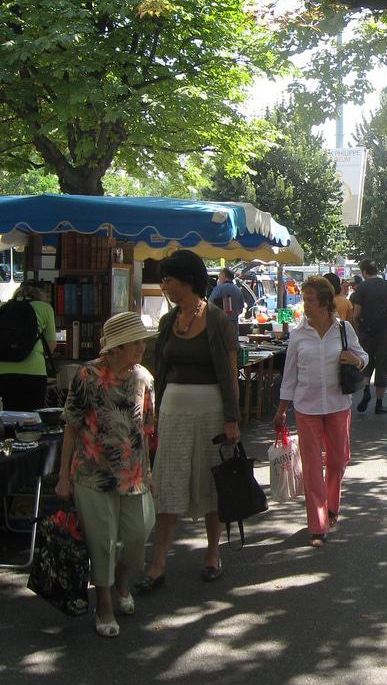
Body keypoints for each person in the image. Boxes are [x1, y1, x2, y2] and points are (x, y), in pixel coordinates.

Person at [135, 249, 240, 593]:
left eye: (169, 279)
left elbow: (229, 374)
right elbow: (160, 372)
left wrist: (232, 418)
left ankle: (212, 554)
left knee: (212, 482)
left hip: (210, 409)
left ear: (188, 281)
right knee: (168, 482)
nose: (165, 286)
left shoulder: (217, 320)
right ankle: (158, 562)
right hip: (173, 411)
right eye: (164, 280)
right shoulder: (168, 321)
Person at [56, 312, 157, 638]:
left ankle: (121, 581)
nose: (141, 348)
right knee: (101, 542)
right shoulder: (86, 376)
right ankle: (104, 603)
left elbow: (146, 429)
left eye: (142, 341)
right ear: (114, 348)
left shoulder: (143, 377)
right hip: (91, 472)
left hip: (134, 473)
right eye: (134, 343)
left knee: (138, 535)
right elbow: (71, 428)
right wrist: (62, 477)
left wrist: (150, 471)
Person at [274, 277, 367, 547]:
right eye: (304, 299)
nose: (305, 305)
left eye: (310, 300)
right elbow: (289, 376)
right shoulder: (298, 334)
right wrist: (281, 411)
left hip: (338, 405)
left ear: (326, 302)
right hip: (307, 407)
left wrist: (356, 360)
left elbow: (364, 356)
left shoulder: (344, 329)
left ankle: (332, 505)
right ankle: (317, 523)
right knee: (313, 467)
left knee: (338, 460)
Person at [350, 259, 387, 415]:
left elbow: (356, 314)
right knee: (383, 366)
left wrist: (359, 332)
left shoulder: (362, 287)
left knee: (366, 362)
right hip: (386, 333)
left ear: (364, 272)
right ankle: (379, 403)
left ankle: (365, 390)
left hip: (366, 332)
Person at [0, 281, 57, 411]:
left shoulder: (4, 307)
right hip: (33, 372)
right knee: (33, 418)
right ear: (41, 293)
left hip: (3, 371)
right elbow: (51, 345)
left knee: (7, 415)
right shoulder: (45, 308)